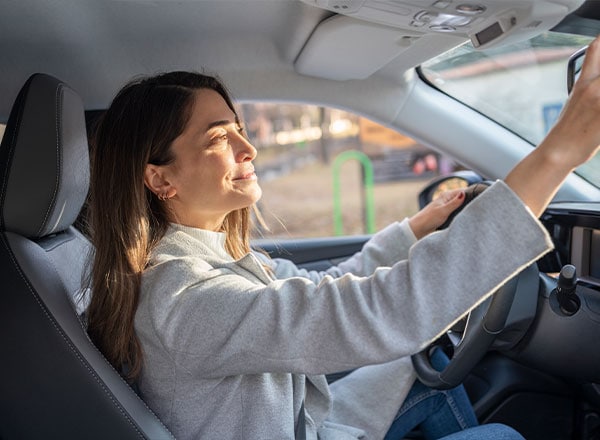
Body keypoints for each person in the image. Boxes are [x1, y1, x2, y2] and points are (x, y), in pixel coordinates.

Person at [85, 36, 600, 440]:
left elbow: (323, 287)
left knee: (419, 368)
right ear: (160, 179)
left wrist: (416, 228)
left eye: (239, 128)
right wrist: (557, 155)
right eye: (219, 137)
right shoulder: (191, 300)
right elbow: (388, 309)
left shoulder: (208, 262)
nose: (249, 147)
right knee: (503, 435)